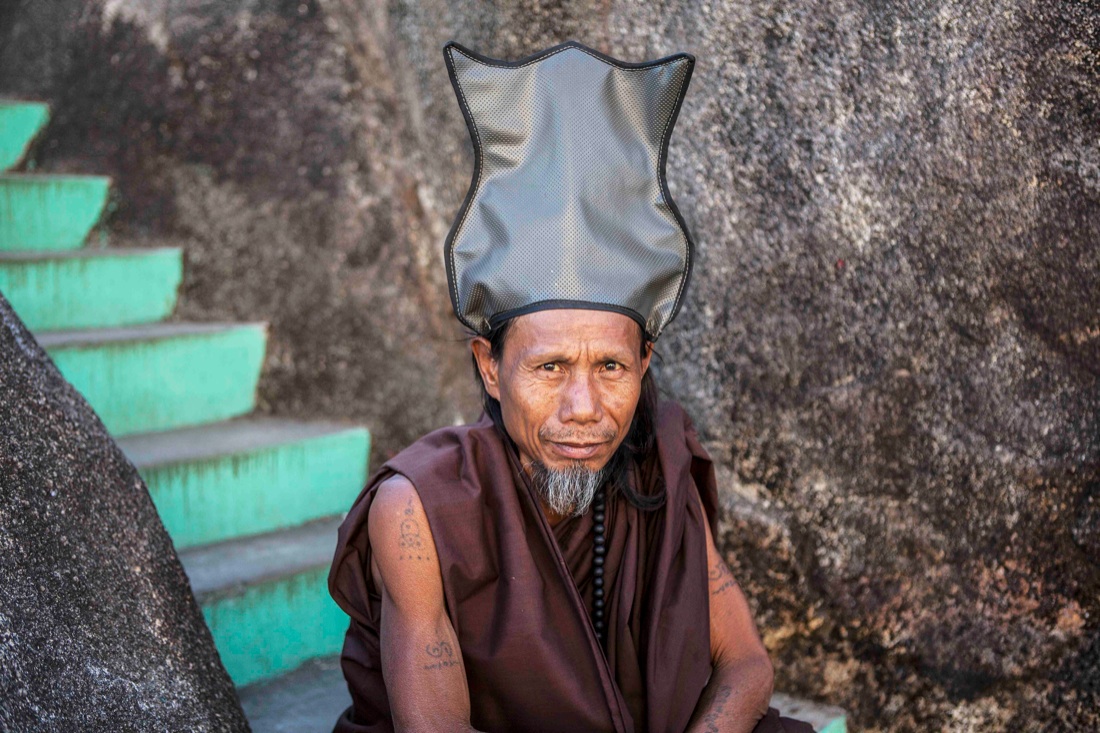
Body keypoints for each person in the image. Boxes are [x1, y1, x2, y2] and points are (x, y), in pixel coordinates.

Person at [328, 40, 815, 733]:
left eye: (610, 368)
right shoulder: (418, 510)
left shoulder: (656, 461)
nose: (584, 410)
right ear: (490, 367)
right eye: (550, 368)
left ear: (644, 362)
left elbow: (745, 662)